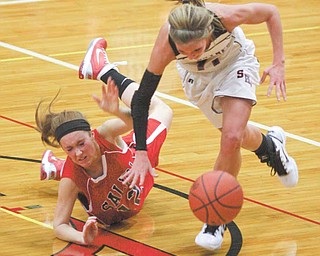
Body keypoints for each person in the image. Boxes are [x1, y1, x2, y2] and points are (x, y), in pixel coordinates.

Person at [78, 0, 299, 251]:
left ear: (207, 33)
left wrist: (278, 62)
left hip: (235, 64)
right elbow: (142, 100)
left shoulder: (226, 17)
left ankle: (215, 218)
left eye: (196, 49)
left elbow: (271, 12)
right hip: (198, 79)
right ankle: (270, 146)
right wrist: (140, 153)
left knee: (230, 137)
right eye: (184, 52)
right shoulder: (167, 40)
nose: (191, 55)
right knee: (234, 136)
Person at [36, 75, 173, 245]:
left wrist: (116, 111)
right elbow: (59, 225)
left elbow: (139, 118)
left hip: (139, 159)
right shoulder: (71, 179)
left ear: (92, 134)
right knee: (71, 169)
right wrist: (82, 238)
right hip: (117, 210)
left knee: (163, 109)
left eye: (81, 143)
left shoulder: (106, 134)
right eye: (69, 149)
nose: (78, 153)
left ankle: (102, 68)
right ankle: (58, 167)